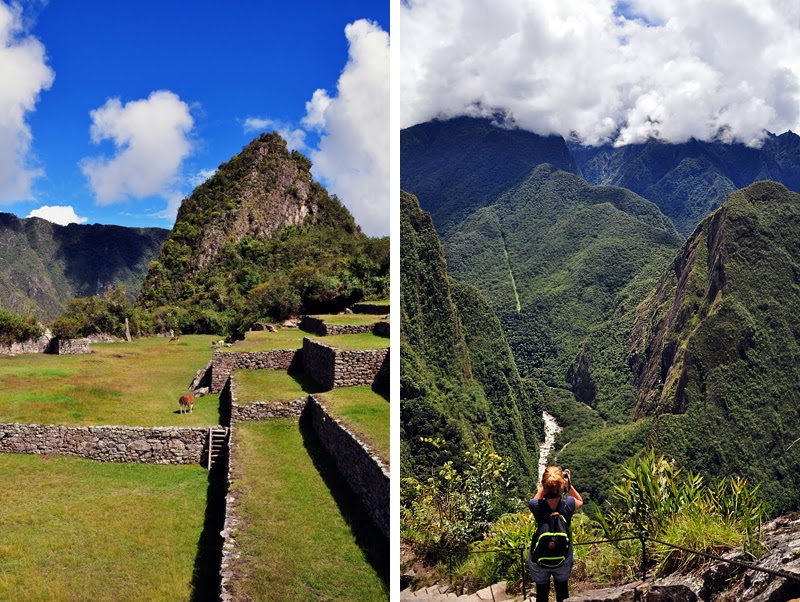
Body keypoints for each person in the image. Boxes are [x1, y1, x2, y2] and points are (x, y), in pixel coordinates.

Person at [528, 466, 583, 601]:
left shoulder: (536, 506)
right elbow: (580, 501)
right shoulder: (568, 504)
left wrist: (547, 484)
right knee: (562, 591)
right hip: (562, 556)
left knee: (541, 593)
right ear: (561, 485)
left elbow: (535, 500)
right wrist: (568, 485)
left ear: (543, 484)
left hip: (540, 557)